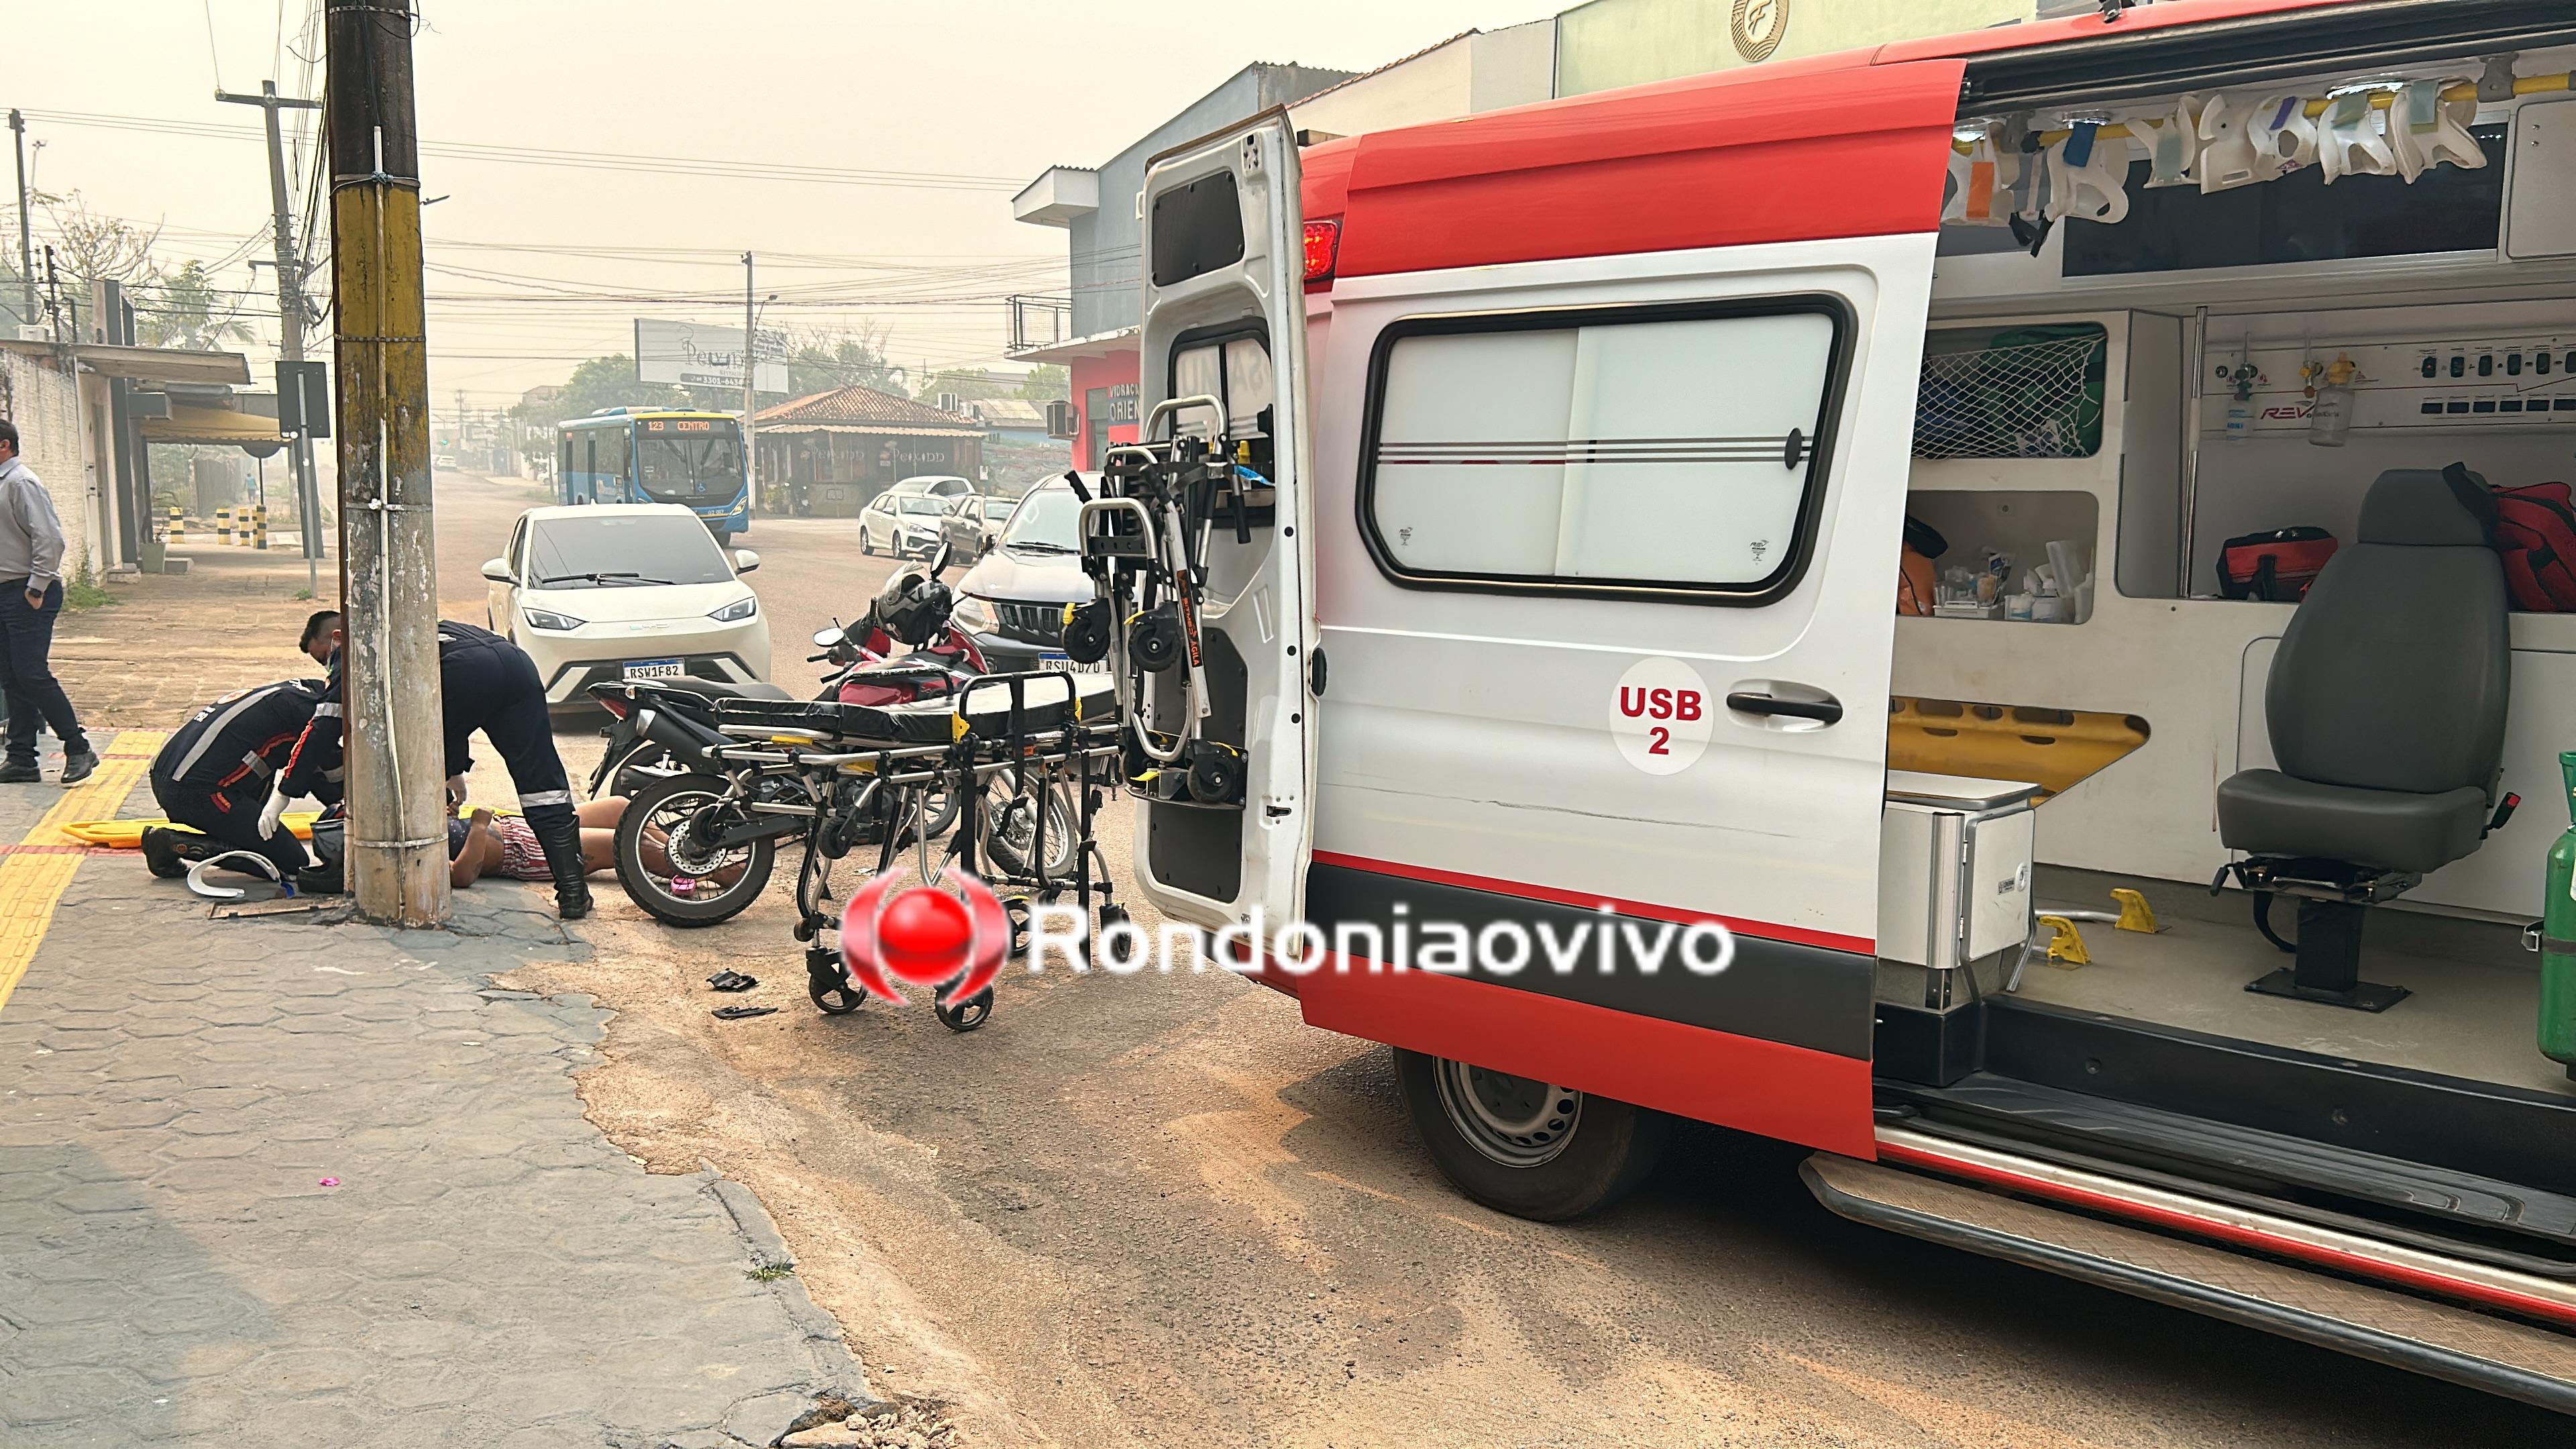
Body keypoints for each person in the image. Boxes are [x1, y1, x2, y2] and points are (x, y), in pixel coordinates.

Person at [276, 612, 593, 918]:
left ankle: (415, 885)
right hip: (515, 663)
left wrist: (286, 791)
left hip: (467, 672)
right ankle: (573, 891)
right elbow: (454, 712)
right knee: (542, 784)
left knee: (411, 762)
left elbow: (325, 725)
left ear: (336, 637)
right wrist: (454, 770)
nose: (327, 666)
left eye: (323, 658)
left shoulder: (359, 646)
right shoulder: (421, 626)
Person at [142, 677, 337, 879]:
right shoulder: (310, 716)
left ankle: (239, 837)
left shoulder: (301, 691)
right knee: (289, 862)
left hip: (171, 773)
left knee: (271, 756)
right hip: (194, 791)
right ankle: (169, 844)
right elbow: (324, 776)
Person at [0, 419, 97, 786]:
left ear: (4, 446)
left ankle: (78, 746)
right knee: (11, 676)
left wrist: (36, 587)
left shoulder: (22, 483)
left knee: (31, 673)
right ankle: (22, 758)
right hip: (6, 590)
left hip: (28, 591)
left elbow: (51, 539)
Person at [449, 800, 622, 888]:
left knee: (618, 807)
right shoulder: (424, 849)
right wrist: (478, 827)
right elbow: (460, 876)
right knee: (629, 843)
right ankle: (649, 891)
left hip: (521, 823)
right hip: (524, 851)